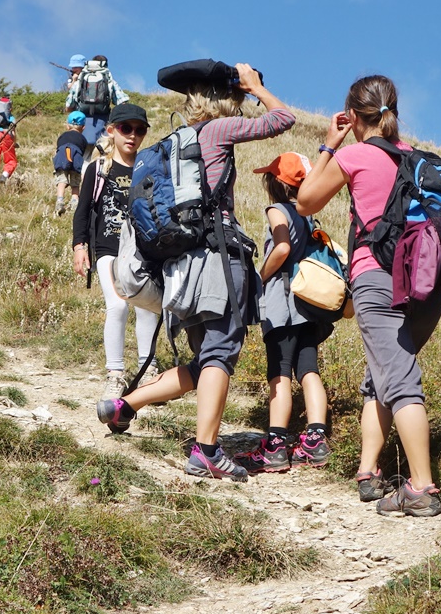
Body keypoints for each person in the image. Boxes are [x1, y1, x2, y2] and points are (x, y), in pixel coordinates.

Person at [95, 65, 295, 481]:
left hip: (182, 268)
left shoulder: (174, 142)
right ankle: (205, 450)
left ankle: (126, 405)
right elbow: (283, 119)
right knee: (221, 353)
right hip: (221, 259)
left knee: (205, 358)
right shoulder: (217, 131)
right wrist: (258, 87)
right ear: (223, 100)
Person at [295, 75, 441, 517]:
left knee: (398, 379)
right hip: (426, 285)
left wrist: (329, 146)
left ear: (355, 116)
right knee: (380, 374)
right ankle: (368, 472)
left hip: (377, 279)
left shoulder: (356, 155)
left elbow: (305, 202)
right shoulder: (416, 159)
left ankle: (422, 488)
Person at [237, 152, 335, 474]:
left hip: (283, 304)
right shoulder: (308, 215)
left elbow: (281, 248)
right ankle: (316, 439)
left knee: (279, 371)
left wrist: (258, 279)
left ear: (277, 184)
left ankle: (276, 446)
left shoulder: (277, 210)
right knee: (309, 370)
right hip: (310, 306)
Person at [73, 103, 161, 403]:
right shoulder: (98, 169)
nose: (132, 136)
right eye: (126, 128)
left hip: (144, 251)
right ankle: (115, 374)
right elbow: (83, 211)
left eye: (140, 130)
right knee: (118, 306)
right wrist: (79, 246)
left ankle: (148, 370)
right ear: (111, 130)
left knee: (148, 307)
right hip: (108, 249)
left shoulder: (149, 168)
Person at [66, 54, 129, 167]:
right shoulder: (108, 80)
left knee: (84, 160)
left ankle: (84, 181)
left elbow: (68, 106)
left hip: (82, 127)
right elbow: (122, 102)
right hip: (103, 126)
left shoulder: (81, 80)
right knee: (103, 159)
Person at [54, 111, 86, 216]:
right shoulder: (83, 139)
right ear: (83, 127)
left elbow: (58, 149)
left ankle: (60, 201)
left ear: (68, 126)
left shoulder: (62, 136)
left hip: (62, 157)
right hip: (76, 158)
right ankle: (74, 202)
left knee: (61, 180)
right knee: (75, 183)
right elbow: (82, 152)